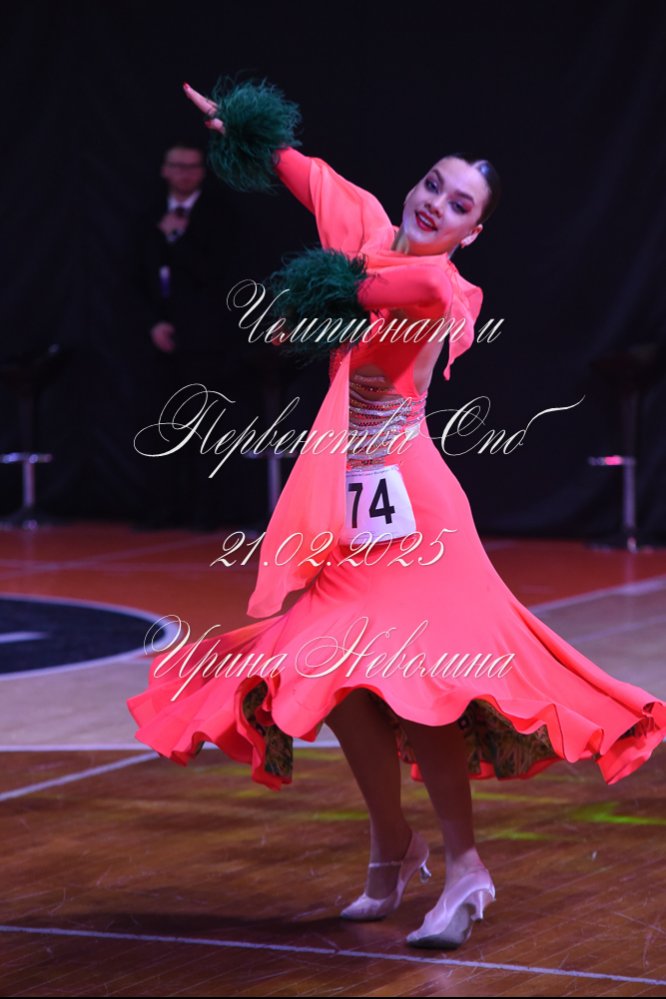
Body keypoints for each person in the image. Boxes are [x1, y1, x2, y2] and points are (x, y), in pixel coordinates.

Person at [127, 79, 666, 950]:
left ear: (471, 231)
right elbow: (308, 176)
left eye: (459, 204)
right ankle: (393, 844)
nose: (435, 203)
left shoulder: (441, 283)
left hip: (416, 516)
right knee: (328, 674)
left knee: (422, 689)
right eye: (433, 184)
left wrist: (333, 296)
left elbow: (399, 291)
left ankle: (466, 867)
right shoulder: (368, 232)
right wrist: (244, 130)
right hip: (352, 512)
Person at [132, 142, 236, 530]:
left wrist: (178, 238)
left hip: (204, 340)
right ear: (165, 170)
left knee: (204, 424)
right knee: (160, 425)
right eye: (177, 165)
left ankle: (206, 510)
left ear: (202, 172)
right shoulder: (147, 216)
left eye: (192, 167)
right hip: (158, 337)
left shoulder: (218, 217)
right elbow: (135, 279)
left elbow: (216, 275)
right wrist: (152, 324)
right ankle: (161, 508)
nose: (184, 173)